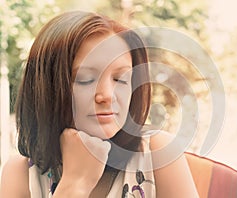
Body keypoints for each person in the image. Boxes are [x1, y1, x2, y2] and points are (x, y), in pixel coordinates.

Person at [0, 11, 198, 197]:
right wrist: (75, 184)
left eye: (121, 79)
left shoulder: (157, 153)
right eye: (85, 79)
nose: (107, 96)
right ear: (45, 88)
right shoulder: (21, 173)